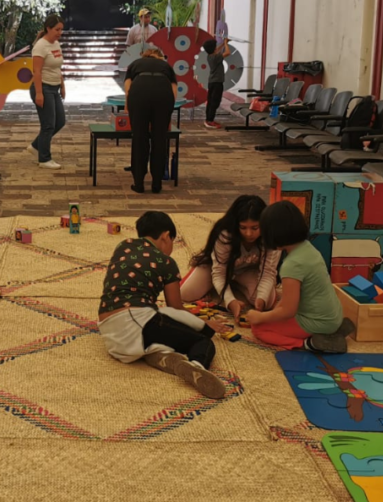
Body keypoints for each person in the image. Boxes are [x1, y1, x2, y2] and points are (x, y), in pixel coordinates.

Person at [99, 211, 226, 399]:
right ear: (166, 236)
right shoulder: (166, 262)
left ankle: (157, 353)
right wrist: (205, 326)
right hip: (136, 322)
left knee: (163, 332)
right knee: (202, 341)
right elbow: (176, 308)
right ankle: (196, 366)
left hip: (109, 333)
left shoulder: (123, 246)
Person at [246, 201, 354, 353]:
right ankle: (332, 331)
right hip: (334, 316)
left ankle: (311, 343)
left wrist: (260, 317)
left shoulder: (292, 265)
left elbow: (288, 310)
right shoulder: (307, 247)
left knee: (259, 329)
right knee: (275, 312)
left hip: (317, 322)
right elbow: (288, 300)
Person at [181, 195, 282, 319]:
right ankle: (224, 286)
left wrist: (260, 301)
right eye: (243, 228)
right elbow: (219, 272)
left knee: (267, 302)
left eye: (255, 228)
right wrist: (230, 302)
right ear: (236, 225)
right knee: (185, 294)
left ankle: (235, 285)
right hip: (219, 267)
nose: (249, 233)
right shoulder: (226, 235)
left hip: (248, 271)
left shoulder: (271, 236)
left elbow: (268, 272)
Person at [123, 48, 177, 194]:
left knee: (139, 138)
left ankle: (139, 183)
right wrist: (168, 111)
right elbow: (173, 89)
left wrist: (128, 105)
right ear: (159, 56)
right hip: (163, 96)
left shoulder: (135, 64)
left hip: (139, 94)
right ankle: (157, 184)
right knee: (159, 139)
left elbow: (128, 86)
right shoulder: (166, 66)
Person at [27, 14, 66, 169]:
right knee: (48, 125)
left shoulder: (56, 44)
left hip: (54, 87)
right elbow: (36, 72)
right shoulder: (40, 46)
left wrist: (62, 86)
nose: (59, 33)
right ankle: (44, 159)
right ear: (48, 28)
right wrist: (39, 93)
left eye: (61, 30)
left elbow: (57, 67)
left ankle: (36, 146)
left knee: (60, 121)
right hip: (43, 87)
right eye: (57, 29)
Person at [203, 39, 231, 129]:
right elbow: (227, 52)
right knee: (215, 102)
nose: (216, 48)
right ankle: (210, 121)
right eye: (215, 47)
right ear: (213, 49)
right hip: (217, 83)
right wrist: (226, 44)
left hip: (212, 82)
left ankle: (208, 119)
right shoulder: (215, 57)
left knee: (211, 101)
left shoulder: (210, 56)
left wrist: (223, 43)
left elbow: (216, 50)